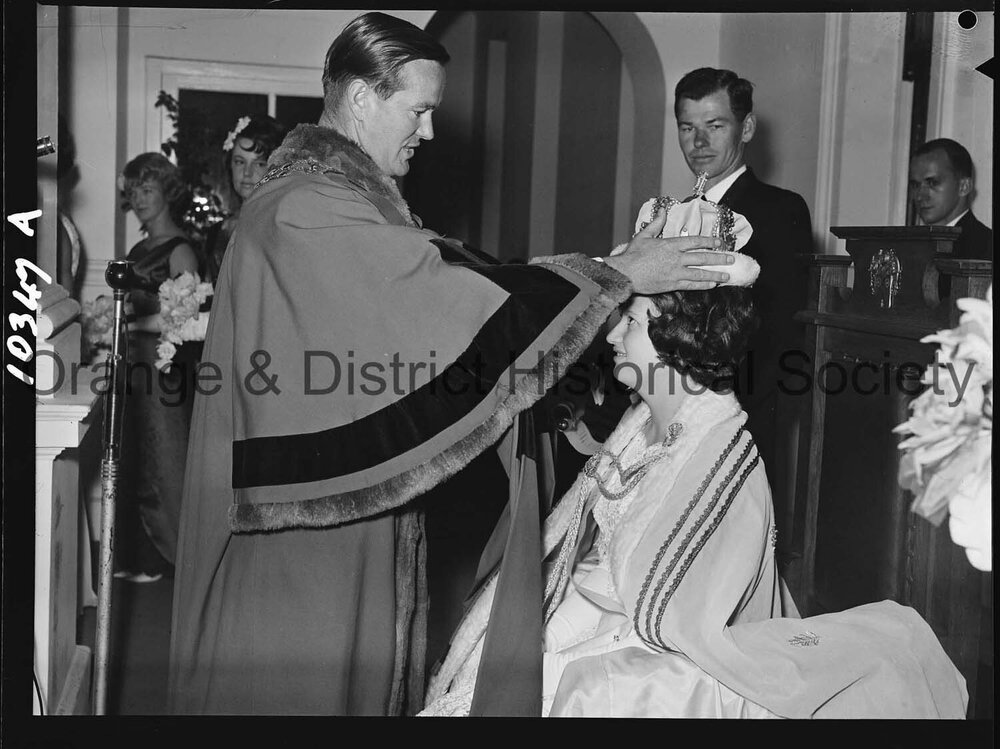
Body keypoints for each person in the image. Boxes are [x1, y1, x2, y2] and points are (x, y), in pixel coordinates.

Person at [167, 12, 736, 716]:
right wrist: (615, 274)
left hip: (337, 521)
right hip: (300, 550)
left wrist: (573, 349)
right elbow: (443, 305)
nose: (429, 133)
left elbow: (457, 280)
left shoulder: (336, 203)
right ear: (362, 97)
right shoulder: (303, 210)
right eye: (420, 110)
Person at [421, 200, 968, 718]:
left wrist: (551, 654)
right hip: (605, 620)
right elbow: (594, 569)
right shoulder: (641, 425)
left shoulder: (721, 458)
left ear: (675, 334)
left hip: (666, 659)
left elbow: (669, 626)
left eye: (631, 322)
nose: (611, 334)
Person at [674, 67, 814, 564]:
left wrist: (721, 398)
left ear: (746, 128)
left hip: (739, 404)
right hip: (669, 400)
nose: (700, 141)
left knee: (731, 549)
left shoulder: (779, 209)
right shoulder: (669, 212)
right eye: (688, 127)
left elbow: (779, 325)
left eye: (715, 125)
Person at [115, 152, 203, 583]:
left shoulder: (181, 249)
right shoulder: (137, 249)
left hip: (165, 369)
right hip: (135, 364)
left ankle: (175, 556)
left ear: (167, 192)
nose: (138, 197)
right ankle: (141, 557)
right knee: (135, 455)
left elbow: (183, 322)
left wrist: (127, 321)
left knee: (166, 458)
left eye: (147, 188)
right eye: (133, 189)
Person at [204, 115, 288, 283]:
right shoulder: (217, 232)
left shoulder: (284, 229)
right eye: (240, 162)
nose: (247, 173)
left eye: (259, 164)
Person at [909, 137, 993, 261]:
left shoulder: (987, 247)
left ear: (964, 187)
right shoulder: (910, 245)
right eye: (915, 185)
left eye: (932, 183)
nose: (920, 196)